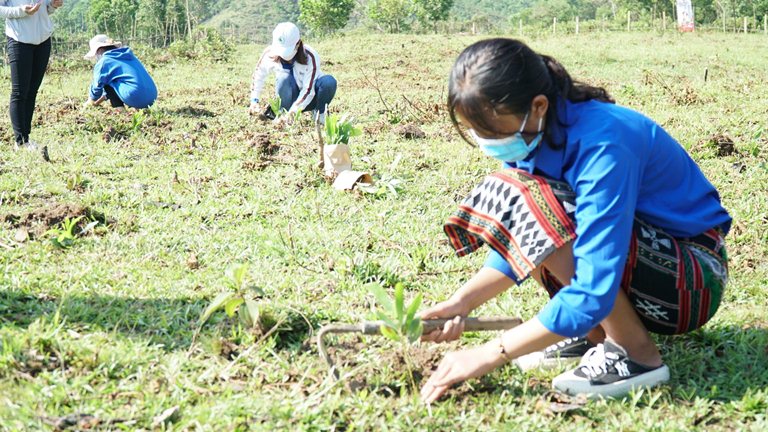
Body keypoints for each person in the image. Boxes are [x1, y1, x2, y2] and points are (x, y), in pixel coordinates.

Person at [419, 38, 731, 403]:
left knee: (526, 197)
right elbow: (524, 234)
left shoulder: (604, 144)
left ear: (538, 106)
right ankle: (594, 334)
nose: (490, 143)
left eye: (496, 132)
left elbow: (594, 285)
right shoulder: (540, 133)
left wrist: (491, 353)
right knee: (516, 194)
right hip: (644, 265)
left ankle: (636, 355)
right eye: (480, 132)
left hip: (690, 280)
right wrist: (462, 302)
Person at [2, 0, 63, 151]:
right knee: (19, 92)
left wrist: (53, 6)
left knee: (32, 91)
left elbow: (44, 10)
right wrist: (21, 11)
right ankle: (20, 141)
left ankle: (26, 138)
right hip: (19, 39)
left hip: (43, 40)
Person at [248, 22, 337, 125]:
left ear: (298, 44)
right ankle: (282, 113)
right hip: (288, 97)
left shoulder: (310, 56)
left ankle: (319, 113)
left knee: (329, 82)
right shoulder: (269, 53)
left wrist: (294, 111)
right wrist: (254, 100)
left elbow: (308, 90)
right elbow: (258, 76)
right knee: (283, 78)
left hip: (311, 98)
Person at [83, 34, 157, 111]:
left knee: (106, 80)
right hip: (152, 96)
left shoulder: (104, 61)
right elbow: (109, 92)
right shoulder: (129, 55)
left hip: (134, 96)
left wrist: (91, 101)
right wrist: (98, 102)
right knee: (115, 79)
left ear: (99, 50)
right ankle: (138, 108)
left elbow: (97, 87)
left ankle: (120, 109)